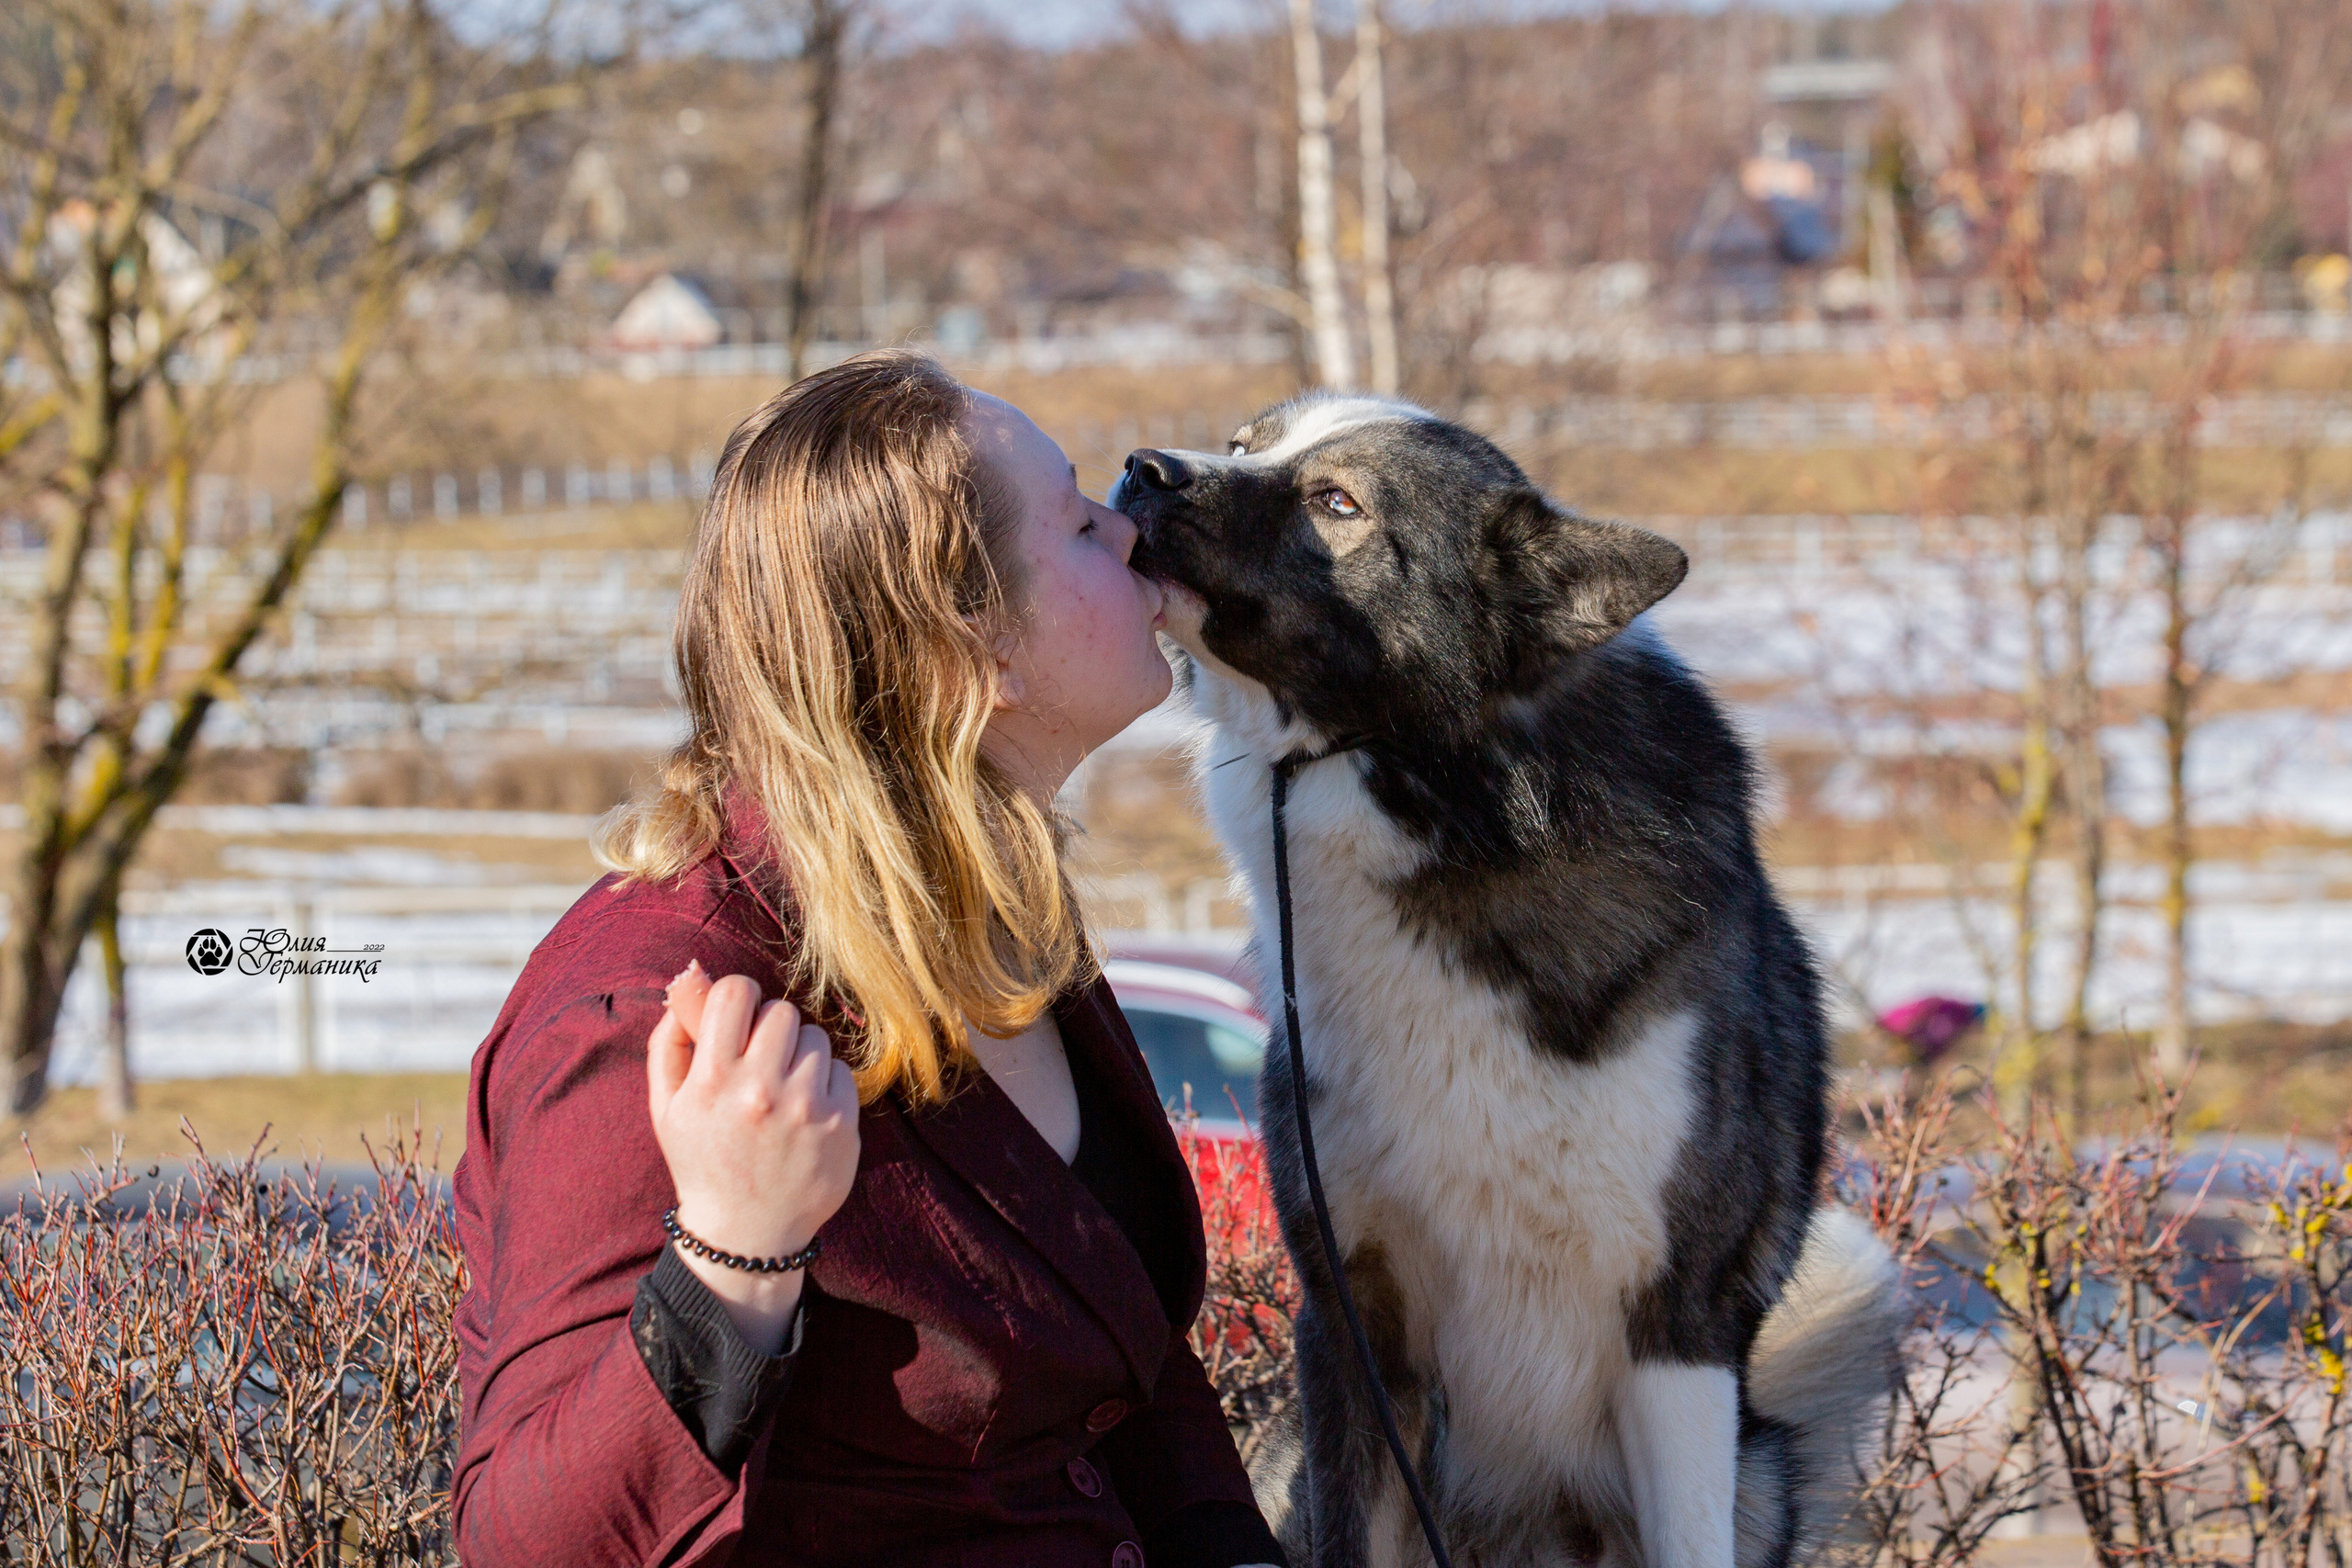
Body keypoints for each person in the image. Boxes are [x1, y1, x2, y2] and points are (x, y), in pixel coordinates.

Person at [450, 350, 1286, 1568]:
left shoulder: (991, 915)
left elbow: (1122, 1373)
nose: (1129, 528)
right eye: (1075, 522)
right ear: (970, 648)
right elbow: (531, 1548)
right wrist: (734, 1254)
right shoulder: (663, 1007)